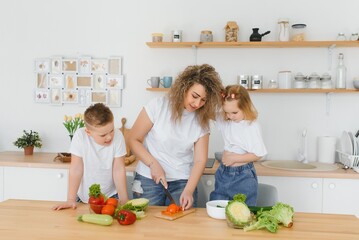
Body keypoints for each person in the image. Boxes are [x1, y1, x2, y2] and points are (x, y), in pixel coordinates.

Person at [128, 64, 224, 210]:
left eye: (203, 100)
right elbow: (133, 139)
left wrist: (189, 190)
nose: (197, 104)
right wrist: (153, 164)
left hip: (182, 181)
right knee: (147, 229)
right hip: (148, 179)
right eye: (195, 96)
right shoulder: (157, 106)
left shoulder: (202, 120)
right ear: (184, 87)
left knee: (182, 229)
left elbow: (200, 160)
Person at [53, 103, 129, 210]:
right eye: (103, 135)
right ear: (88, 132)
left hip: (111, 196)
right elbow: (76, 169)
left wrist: (124, 200)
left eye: (111, 130)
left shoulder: (118, 136)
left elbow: (118, 169)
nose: (109, 137)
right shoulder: (80, 136)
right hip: (83, 198)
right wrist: (70, 199)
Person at [210, 85, 267, 206]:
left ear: (245, 107)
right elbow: (208, 112)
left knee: (244, 213)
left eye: (234, 112)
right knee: (218, 208)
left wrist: (234, 158)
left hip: (243, 177)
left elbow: (258, 154)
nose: (230, 116)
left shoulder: (251, 126)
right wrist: (218, 96)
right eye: (227, 112)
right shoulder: (226, 120)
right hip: (223, 173)